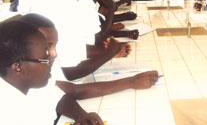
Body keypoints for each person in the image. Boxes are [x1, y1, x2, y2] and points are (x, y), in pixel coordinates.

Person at [20, 14, 159, 103]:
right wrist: (108, 54)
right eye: (48, 47)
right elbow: (72, 84)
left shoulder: (45, 60)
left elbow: (66, 93)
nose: (54, 53)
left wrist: (80, 116)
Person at [34, 0, 128, 82]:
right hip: (57, 83)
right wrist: (108, 53)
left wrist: (107, 50)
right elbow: (69, 72)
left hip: (79, 74)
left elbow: (88, 42)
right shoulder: (56, 5)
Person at [0, 20, 103, 125]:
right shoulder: (7, 113)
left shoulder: (28, 85)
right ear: (18, 67)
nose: (51, 59)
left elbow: (57, 97)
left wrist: (82, 117)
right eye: (45, 56)